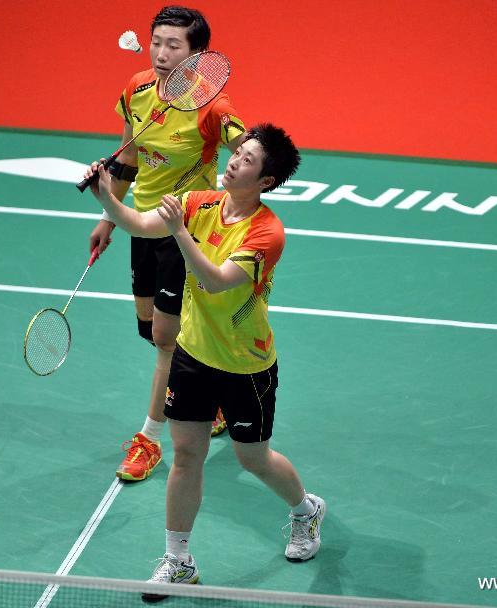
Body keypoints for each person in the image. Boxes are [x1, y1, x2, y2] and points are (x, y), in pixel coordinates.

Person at [84, 123, 325, 601]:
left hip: (245, 365)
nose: (234, 161)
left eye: (248, 160)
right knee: (187, 455)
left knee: (251, 458)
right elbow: (141, 224)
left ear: (266, 181)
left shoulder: (267, 233)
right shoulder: (200, 202)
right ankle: (178, 561)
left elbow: (215, 281)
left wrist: (179, 232)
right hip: (193, 355)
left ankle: (305, 510)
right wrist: (106, 198)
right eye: (239, 153)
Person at [87, 6, 246, 483]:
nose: (160, 53)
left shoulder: (213, 108)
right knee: (150, 328)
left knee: (164, 339)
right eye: (156, 41)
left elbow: (248, 150)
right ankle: (212, 401)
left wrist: (248, 155)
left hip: (185, 229)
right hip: (142, 224)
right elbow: (128, 156)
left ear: (197, 56)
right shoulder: (136, 89)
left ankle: (150, 440)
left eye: (174, 45)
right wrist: (109, 217)